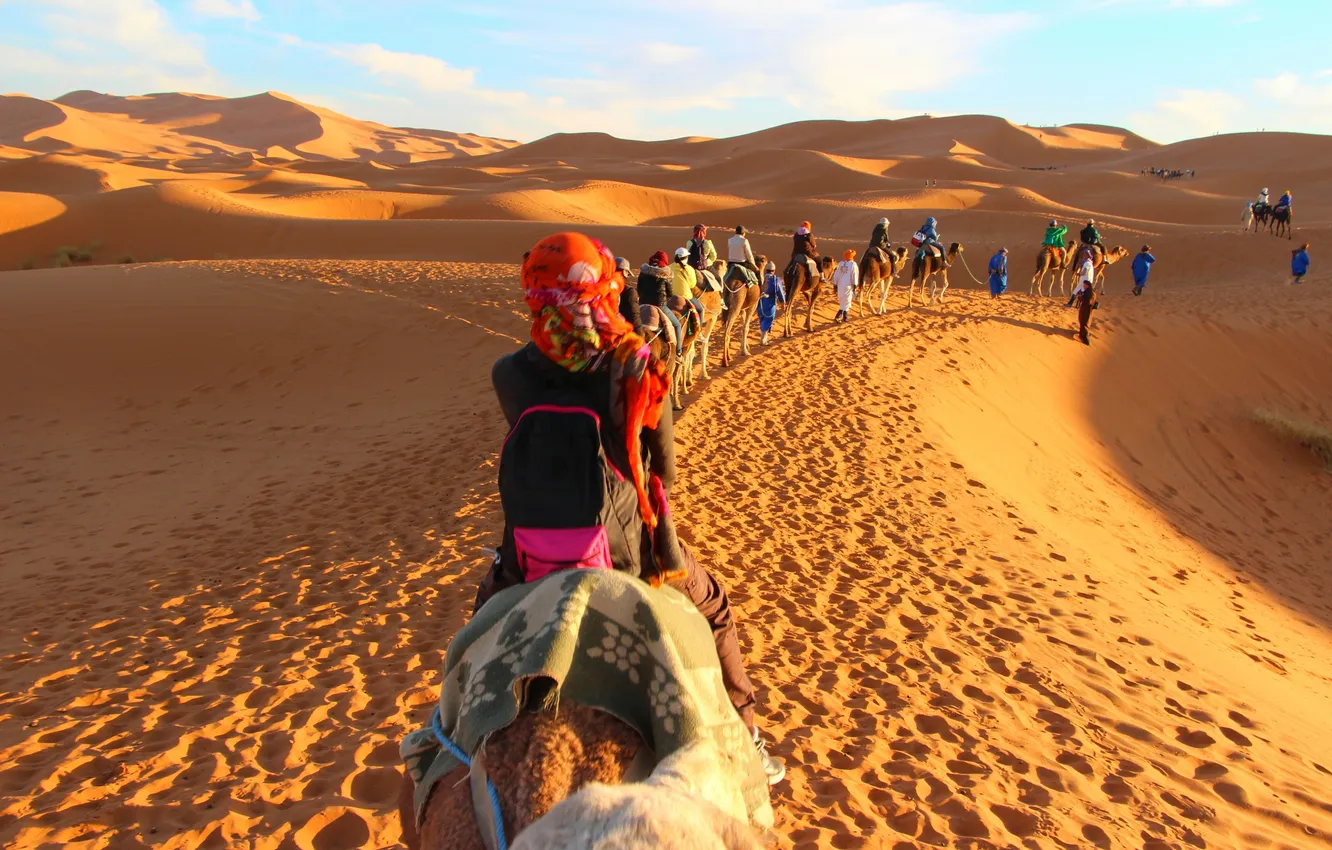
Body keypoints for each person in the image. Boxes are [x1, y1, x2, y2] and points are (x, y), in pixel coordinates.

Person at [480, 232, 785, 784]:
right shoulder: (635, 363)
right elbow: (664, 472)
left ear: (534, 290)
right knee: (716, 610)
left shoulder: (508, 372)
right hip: (626, 551)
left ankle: (454, 743)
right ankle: (748, 741)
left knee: (479, 632)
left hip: (528, 555)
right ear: (603, 286)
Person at [672, 246, 704, 318]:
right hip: (686, 296)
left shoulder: (669, 267)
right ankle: (699, 325)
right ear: (686, 258)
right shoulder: (689, 269)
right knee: (700, 310)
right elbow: (692, 285)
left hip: (671, 296)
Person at [757, 261, 784, 345]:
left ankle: (763, 338)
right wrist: (783, 302)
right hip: (770, 303)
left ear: (766, 270)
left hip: (760, 303)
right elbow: (780, 291)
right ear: (774, 270)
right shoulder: (775, 280)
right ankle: (763, 340)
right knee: (768, 320)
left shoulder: (760, 278)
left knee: (762, 319)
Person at [832, 249, 859, 322]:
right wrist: (855, 285)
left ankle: (845, 317)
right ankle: (838, 316)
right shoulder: (853, 264)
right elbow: (854, 275)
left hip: (840, 285)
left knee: (843, 300)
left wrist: (835, 284)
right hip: (848, 284)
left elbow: (836, 275)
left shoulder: (840, 263)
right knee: (847, 301)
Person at [1074, 274, 1099, 345]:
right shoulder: (1091, 292)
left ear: (1087, 285)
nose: (1083, 286)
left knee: (1084, 322)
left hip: (1086, 310)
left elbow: (1088, 301)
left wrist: (1080, 297)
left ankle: (1085, 339)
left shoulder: (1089, 292)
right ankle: (1082, 335)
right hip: (1088, 310)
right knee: (1084, 322)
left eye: (1084, 285)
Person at [615, 256, 640, 328]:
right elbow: (634, 317)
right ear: (624, 272)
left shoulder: (602, 286)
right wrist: (640, 333)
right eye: (628, 273)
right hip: (622, 329)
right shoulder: (630, 292)